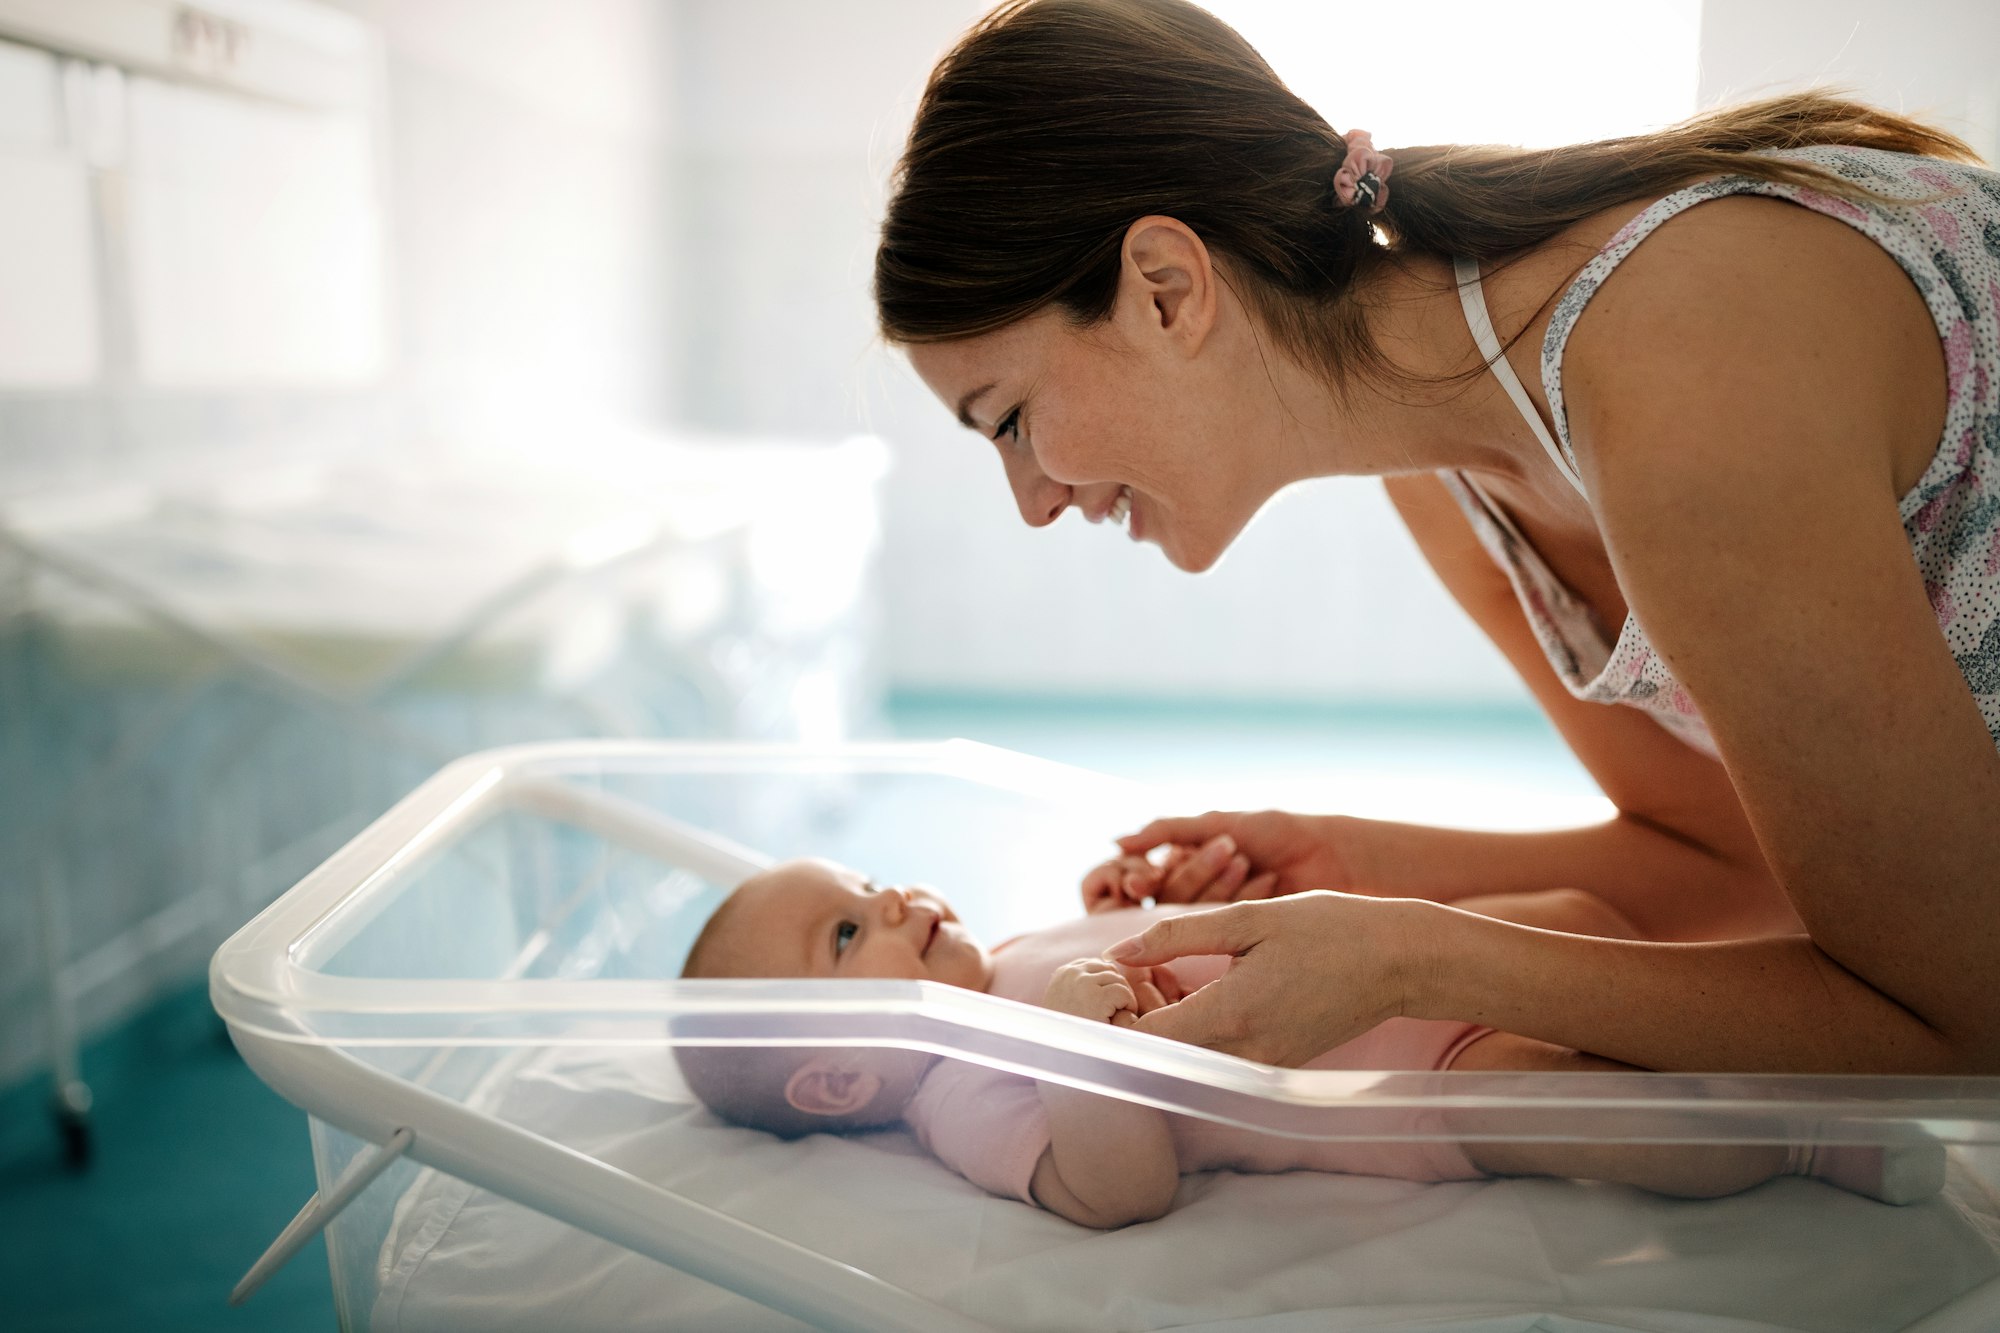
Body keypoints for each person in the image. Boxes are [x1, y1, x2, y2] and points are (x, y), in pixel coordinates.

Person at [873, 0, 2000, 1077]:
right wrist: (1353, 867)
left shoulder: (1681, 394)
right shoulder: (1444, 467)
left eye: (1009, 419)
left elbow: (1960, 1028)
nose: (1030, 501)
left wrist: (1416, 957)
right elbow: (1733, 865)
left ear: (1165, 289)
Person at [676, 858, 1934, 1229]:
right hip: (1411, 1087)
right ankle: (1814, 1136)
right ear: (839, 1077)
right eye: (849, 931)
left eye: (866, 884)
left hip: (1418, 961)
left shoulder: (1008, 949)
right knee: (1612, 1122)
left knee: (1577, 926)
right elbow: (1116, 1190)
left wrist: (1144, 900)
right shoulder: (959, 1095)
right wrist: (1082, 1044)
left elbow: (1168, 938)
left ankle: (1757, 1023)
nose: (894, 900)